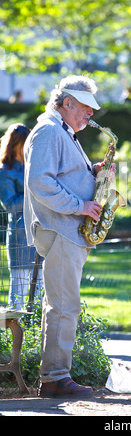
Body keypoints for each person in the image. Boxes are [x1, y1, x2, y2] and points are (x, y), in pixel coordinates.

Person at [24, 75, 110, 398]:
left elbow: (62, 176)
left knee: (62, 305)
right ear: (67, 102)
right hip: (60, 230)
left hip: (68, 232)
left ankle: (55, 376)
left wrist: (95, 172)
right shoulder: (48, 131)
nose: (90, 115)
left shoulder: (63, 132)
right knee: (63, 306)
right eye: (86, 108)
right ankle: (55, 379)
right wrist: (81, 206)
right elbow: (40, 183)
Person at [0, 124, 42, 310]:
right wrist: (35, 190)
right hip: (19, 236)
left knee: (42, 291)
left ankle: (38, 335)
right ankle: (13, 336)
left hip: (40, 234)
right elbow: (10, 205)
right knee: (19, 289)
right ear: (15, 145)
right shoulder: (4, 172)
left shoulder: (32, 166)